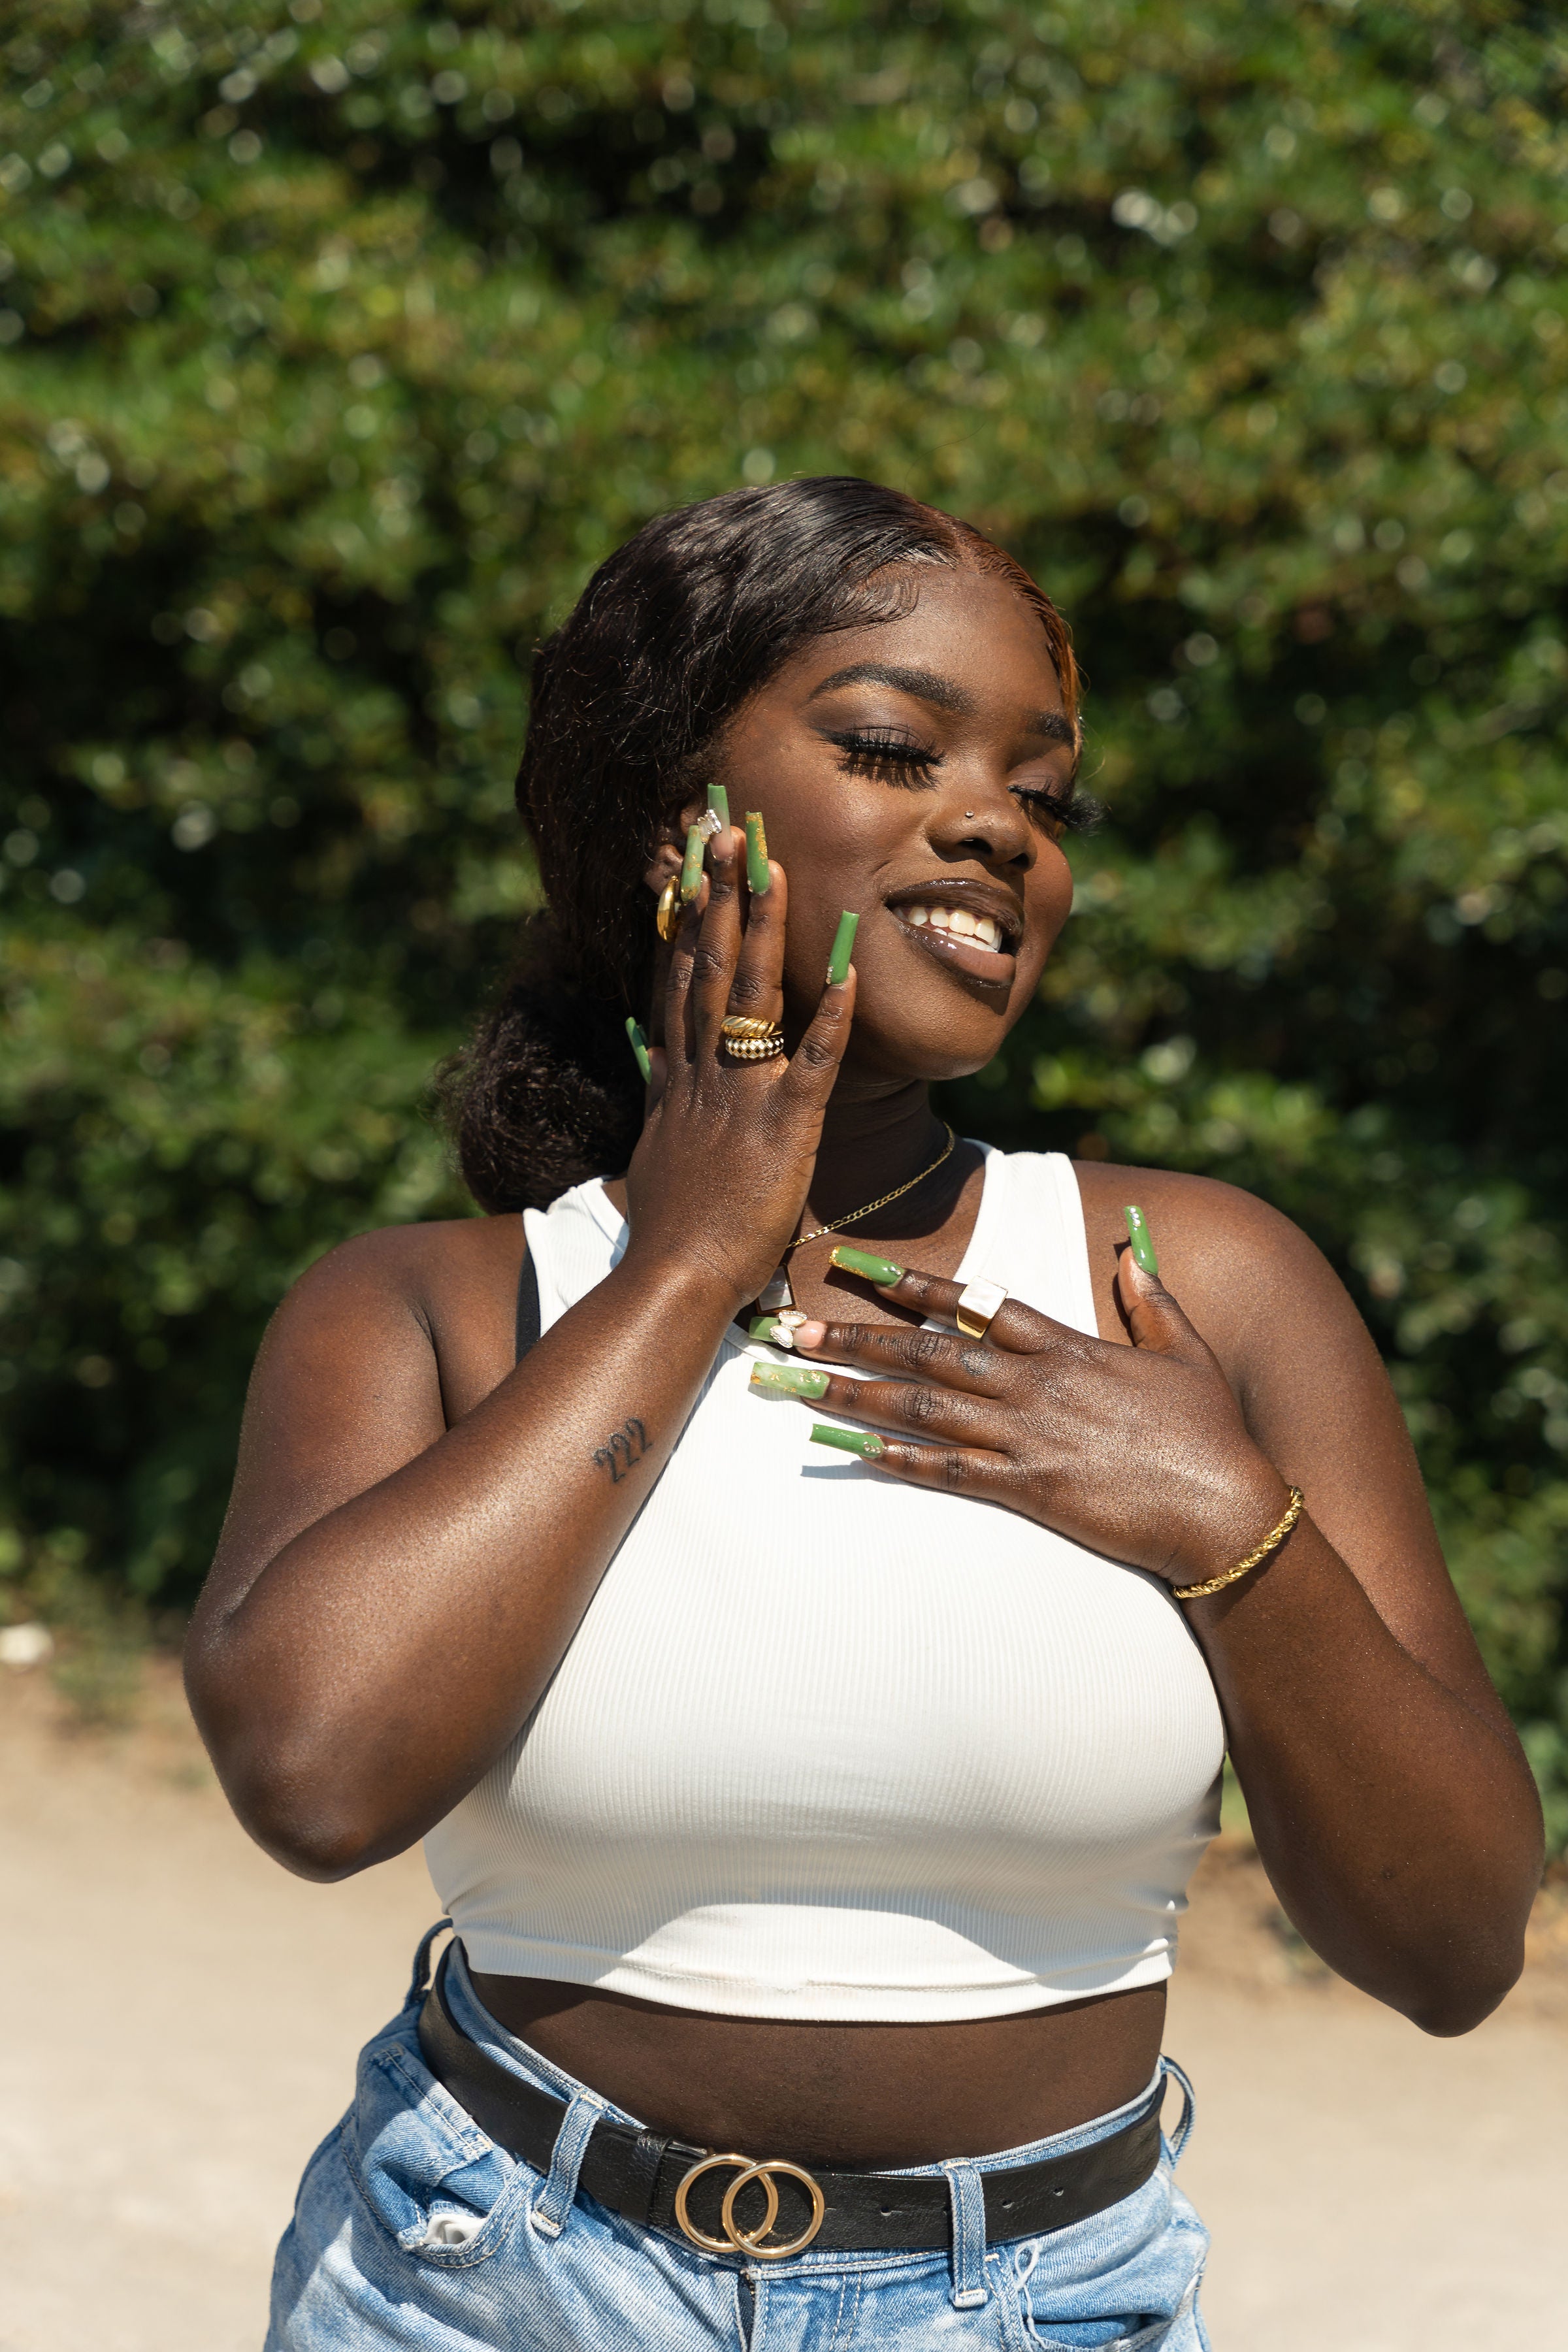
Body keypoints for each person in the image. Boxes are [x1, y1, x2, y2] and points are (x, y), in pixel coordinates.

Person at [186, 477, 1543, 2351]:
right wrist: (679, 1275)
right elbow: (315, 1777)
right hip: (486, 2276)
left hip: (1040, 2305)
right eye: (899, 748)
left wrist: (1227, 1528)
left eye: (1047, 801)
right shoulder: (434, 1306)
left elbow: (1458, 1941)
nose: (998, 827)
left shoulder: (1200, 1285)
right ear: (679, 812)